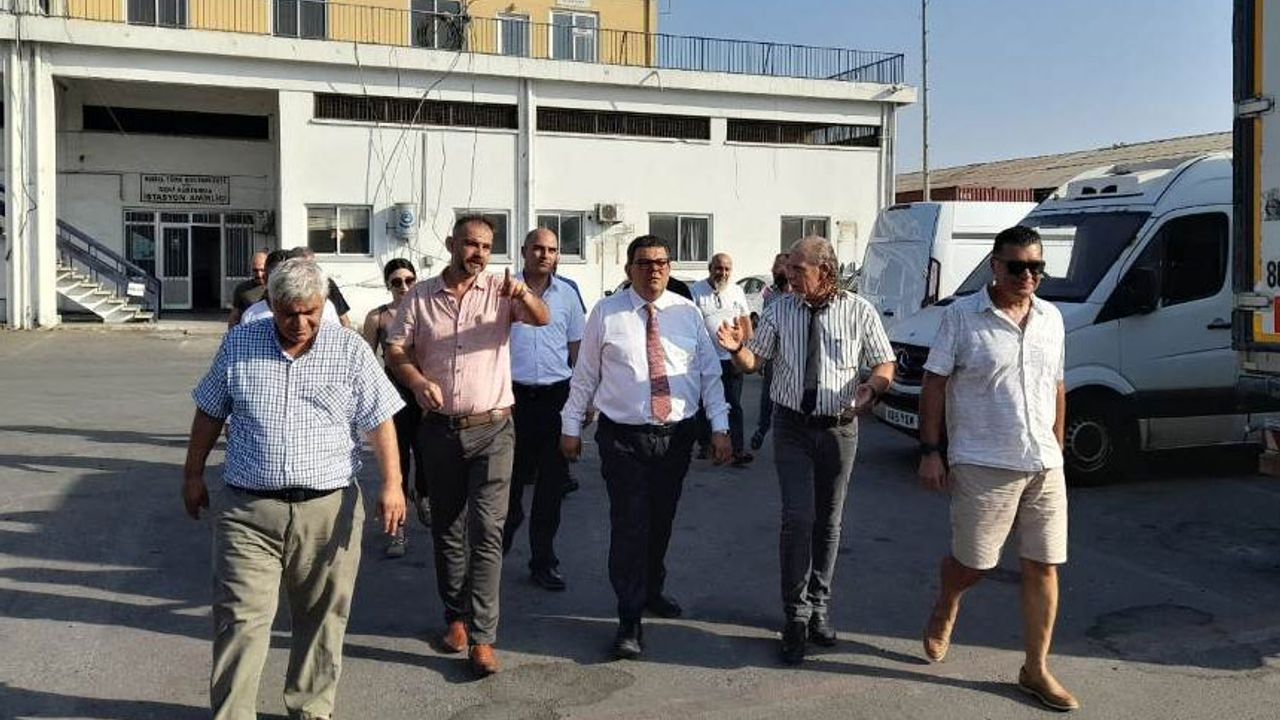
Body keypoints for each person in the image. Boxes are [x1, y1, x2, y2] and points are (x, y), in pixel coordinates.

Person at [182, 258, 407, 720]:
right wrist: (192, 474)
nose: (300, 323)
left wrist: (393, 484)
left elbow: (380, 420)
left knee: (323, 618)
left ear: (323, 304)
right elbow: (209, 412)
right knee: (240, 620)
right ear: (271, 303)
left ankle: (311, 709)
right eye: (289, 313)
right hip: (248, 511)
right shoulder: (240, 344)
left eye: (310, 312)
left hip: (328, 510)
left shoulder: (350, 350)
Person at [917, 225, 1078, 712]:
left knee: (1044, 564)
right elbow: (934, 383)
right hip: (984, 461)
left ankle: (1035, 668)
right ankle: (948, 600)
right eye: (1017, 266)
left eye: (1036, 267)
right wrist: (930, 450)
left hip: (1044, 464)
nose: (1027, 275)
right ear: (995, 266)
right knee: (975, 565)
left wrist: (1057, 446)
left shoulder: (1051, 318)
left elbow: (1056, 385)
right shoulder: (962, 317)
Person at [385, 215, 550, 677]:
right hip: (439, 431)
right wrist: (417, 381)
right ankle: (454, 616)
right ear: (451, 243)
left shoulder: (502, 291)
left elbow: (542, 318)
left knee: (488, 530)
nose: (478, 253)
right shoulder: (420, 297)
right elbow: (396, 349)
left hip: (494, 428)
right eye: (471, 244)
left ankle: (483, 637)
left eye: (486, 247)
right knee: (448, 529)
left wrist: (524, 294)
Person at [718, 236, 895, 665]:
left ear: (825, 272)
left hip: (839, 429)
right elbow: (755, 362)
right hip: (792, 427)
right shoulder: (780, 309)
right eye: (789, 267)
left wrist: (873, 387)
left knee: (828, 523)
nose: (788, 274)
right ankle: (795, 616)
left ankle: (819, 608)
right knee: (798, 518)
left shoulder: (860, 311)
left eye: (798, 268)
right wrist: (737, 349)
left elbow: (884, 362)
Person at [560, 234, 732, 660]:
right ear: (628, 269)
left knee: (661, 521)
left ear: (669, 268)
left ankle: (652, 588)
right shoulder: (606, 313)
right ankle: (629, 616)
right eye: (644, 262)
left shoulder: (687, 313)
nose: (654, 269)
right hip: (624, 439)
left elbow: (709, 374)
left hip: (676, 437)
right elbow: (585, 374)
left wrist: (720, 427)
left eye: (661, 262)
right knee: (630, 525)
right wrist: (570, 426)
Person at [502, 228, 587, 591]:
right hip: (512, 400)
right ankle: (492, 558)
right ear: (523, 251)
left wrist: (584, 399)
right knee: (507, 488)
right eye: (537, 248)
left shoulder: (568, 294)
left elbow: (578, 350)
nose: (544, 255)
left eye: (551, 249)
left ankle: (543, 561)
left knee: (551, 489)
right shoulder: (502, 291)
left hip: (557, 399)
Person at [362, 258, 431, 559]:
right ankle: (398, 530)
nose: (404, 287)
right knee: (398, 462)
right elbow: (365, 361)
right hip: (393, 396)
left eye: (409, 280)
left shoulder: (427, 311)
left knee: (428, 454)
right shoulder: (378, 317)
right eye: (397, 282)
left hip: (425, 392)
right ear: (388, 285)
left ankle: (423, 495)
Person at [690, 253, 754, 466]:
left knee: (733, 403)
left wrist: (745, 350)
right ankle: (707, 444)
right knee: (704, 403)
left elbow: (745, 322)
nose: (723, 273)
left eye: (727, 269)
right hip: (705, 359)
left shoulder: (736, 291)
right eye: (718, 268)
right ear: (710, 268)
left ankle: (737, 449)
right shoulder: (696, 291)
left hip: (731, 358)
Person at [750, 252, 791, 451]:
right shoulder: (770, 294)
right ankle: (762, 429)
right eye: (775, 267)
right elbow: (764, 323)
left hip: (794, 353)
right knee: (768, 395)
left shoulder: (797, 294)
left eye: (781, 266)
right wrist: (760, 356)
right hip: (773, 354)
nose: (776, 270)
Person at [240, 249, 342, 325]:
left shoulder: (325, 309)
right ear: (266, 278)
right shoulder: (252, 316)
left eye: (308, 313)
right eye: (276, 277)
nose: (300, 324)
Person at [295, 246, 353, 328]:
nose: (309, 270)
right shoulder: (286, 287)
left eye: (312, 265)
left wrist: (346, 335)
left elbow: (344, 319)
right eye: (304, 266)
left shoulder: (326, 284)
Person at [226, 250, 267, 327]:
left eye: (262, 270)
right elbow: (235, 316)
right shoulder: (242, 289)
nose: (259, 274)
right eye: (255, 270)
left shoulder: (276, 288)